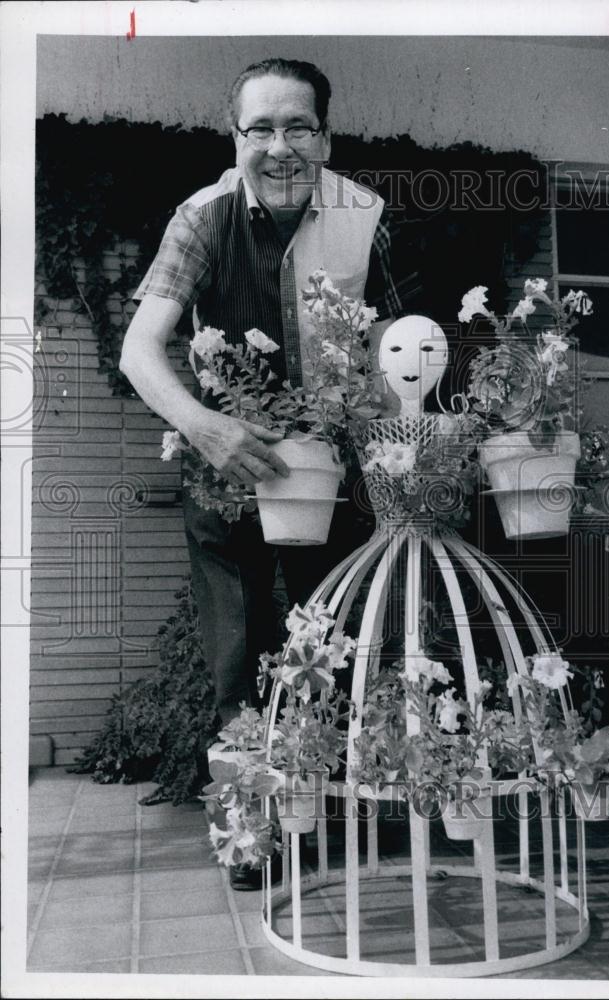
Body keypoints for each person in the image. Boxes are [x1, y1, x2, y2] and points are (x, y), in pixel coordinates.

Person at [120, 58, 405, 888]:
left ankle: (332, 821)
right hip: (228, 470)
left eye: (299, 128)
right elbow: (142, 348)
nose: (280, 148)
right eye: (262, 130)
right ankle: (249, 836)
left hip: (332, 471)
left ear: (325, 134)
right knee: (238, 657)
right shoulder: (202, 218)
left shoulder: (366, 216)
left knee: (335, 649)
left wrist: (391, 449)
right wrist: (204, 426)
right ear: (235, 137)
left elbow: (395, 351)